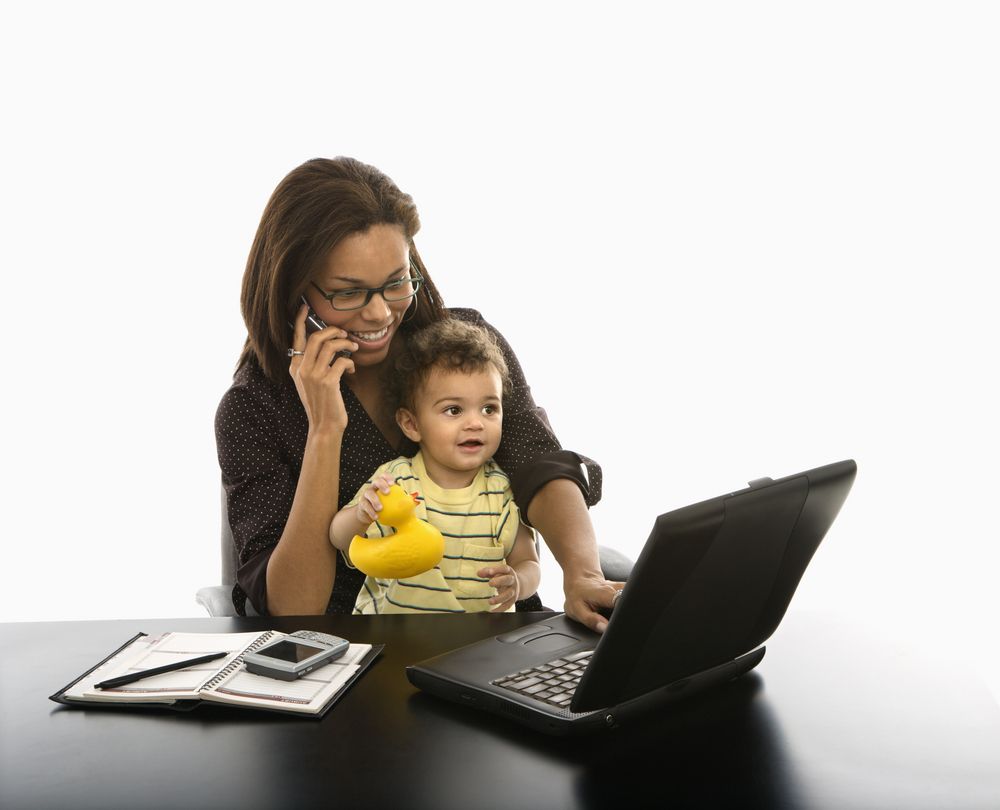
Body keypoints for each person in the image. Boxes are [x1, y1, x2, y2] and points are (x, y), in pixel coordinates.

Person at [215, 156, 621, 631]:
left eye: (395, 283)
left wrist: (582, 574)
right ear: (292, 290)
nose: (380, 314)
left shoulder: (463, 346)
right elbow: (293, 606)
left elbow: (540, 463)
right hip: (355, 658)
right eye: (349, 293)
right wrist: (324, 431)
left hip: (497, 639)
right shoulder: (253, 408)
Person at [329, 319, 540, 614]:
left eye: (489, 408)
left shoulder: (502, 490)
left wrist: (519, 582)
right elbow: (339, 538)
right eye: (454, 410)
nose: (476, 423)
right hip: (392, 638)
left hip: (477, 645)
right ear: (412, 424)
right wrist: (361, 515)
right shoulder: (395, 481)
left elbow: (528, 561)